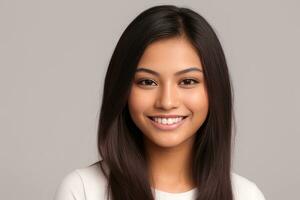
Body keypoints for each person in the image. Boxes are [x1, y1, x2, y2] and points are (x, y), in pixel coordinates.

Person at [54, 5, 266, 200]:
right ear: (122, 90)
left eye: (188, 81)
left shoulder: (245, 195)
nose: (167, 102)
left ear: (215, 89)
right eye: (147, 82)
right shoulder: (83, 190)